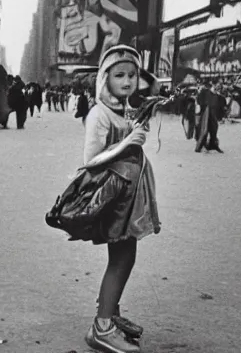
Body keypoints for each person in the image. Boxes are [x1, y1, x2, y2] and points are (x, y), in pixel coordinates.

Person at [76, 45, 159, 352]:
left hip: (130, 194)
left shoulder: (123, 109)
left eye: (133, 75)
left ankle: (111, 313)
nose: (127, 81)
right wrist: (127, 143)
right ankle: (101, 327)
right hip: (115, 197)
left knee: (124, 256)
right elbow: (91, 159)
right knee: (122, 258)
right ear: (104, 78)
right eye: (119, 75)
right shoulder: (99, 113)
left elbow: (154, 88)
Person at [195, 81, 223, 153]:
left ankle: (213, 145)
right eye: (217, 85)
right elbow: (199, 100)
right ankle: (200, 146)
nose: (218, 87)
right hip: (206, 112)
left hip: (212, 113)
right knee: (204, 130)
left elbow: (218, 106)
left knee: (214, 128)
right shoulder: (205, 92)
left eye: (219, 86)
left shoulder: (217, 95)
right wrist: (203, 106)